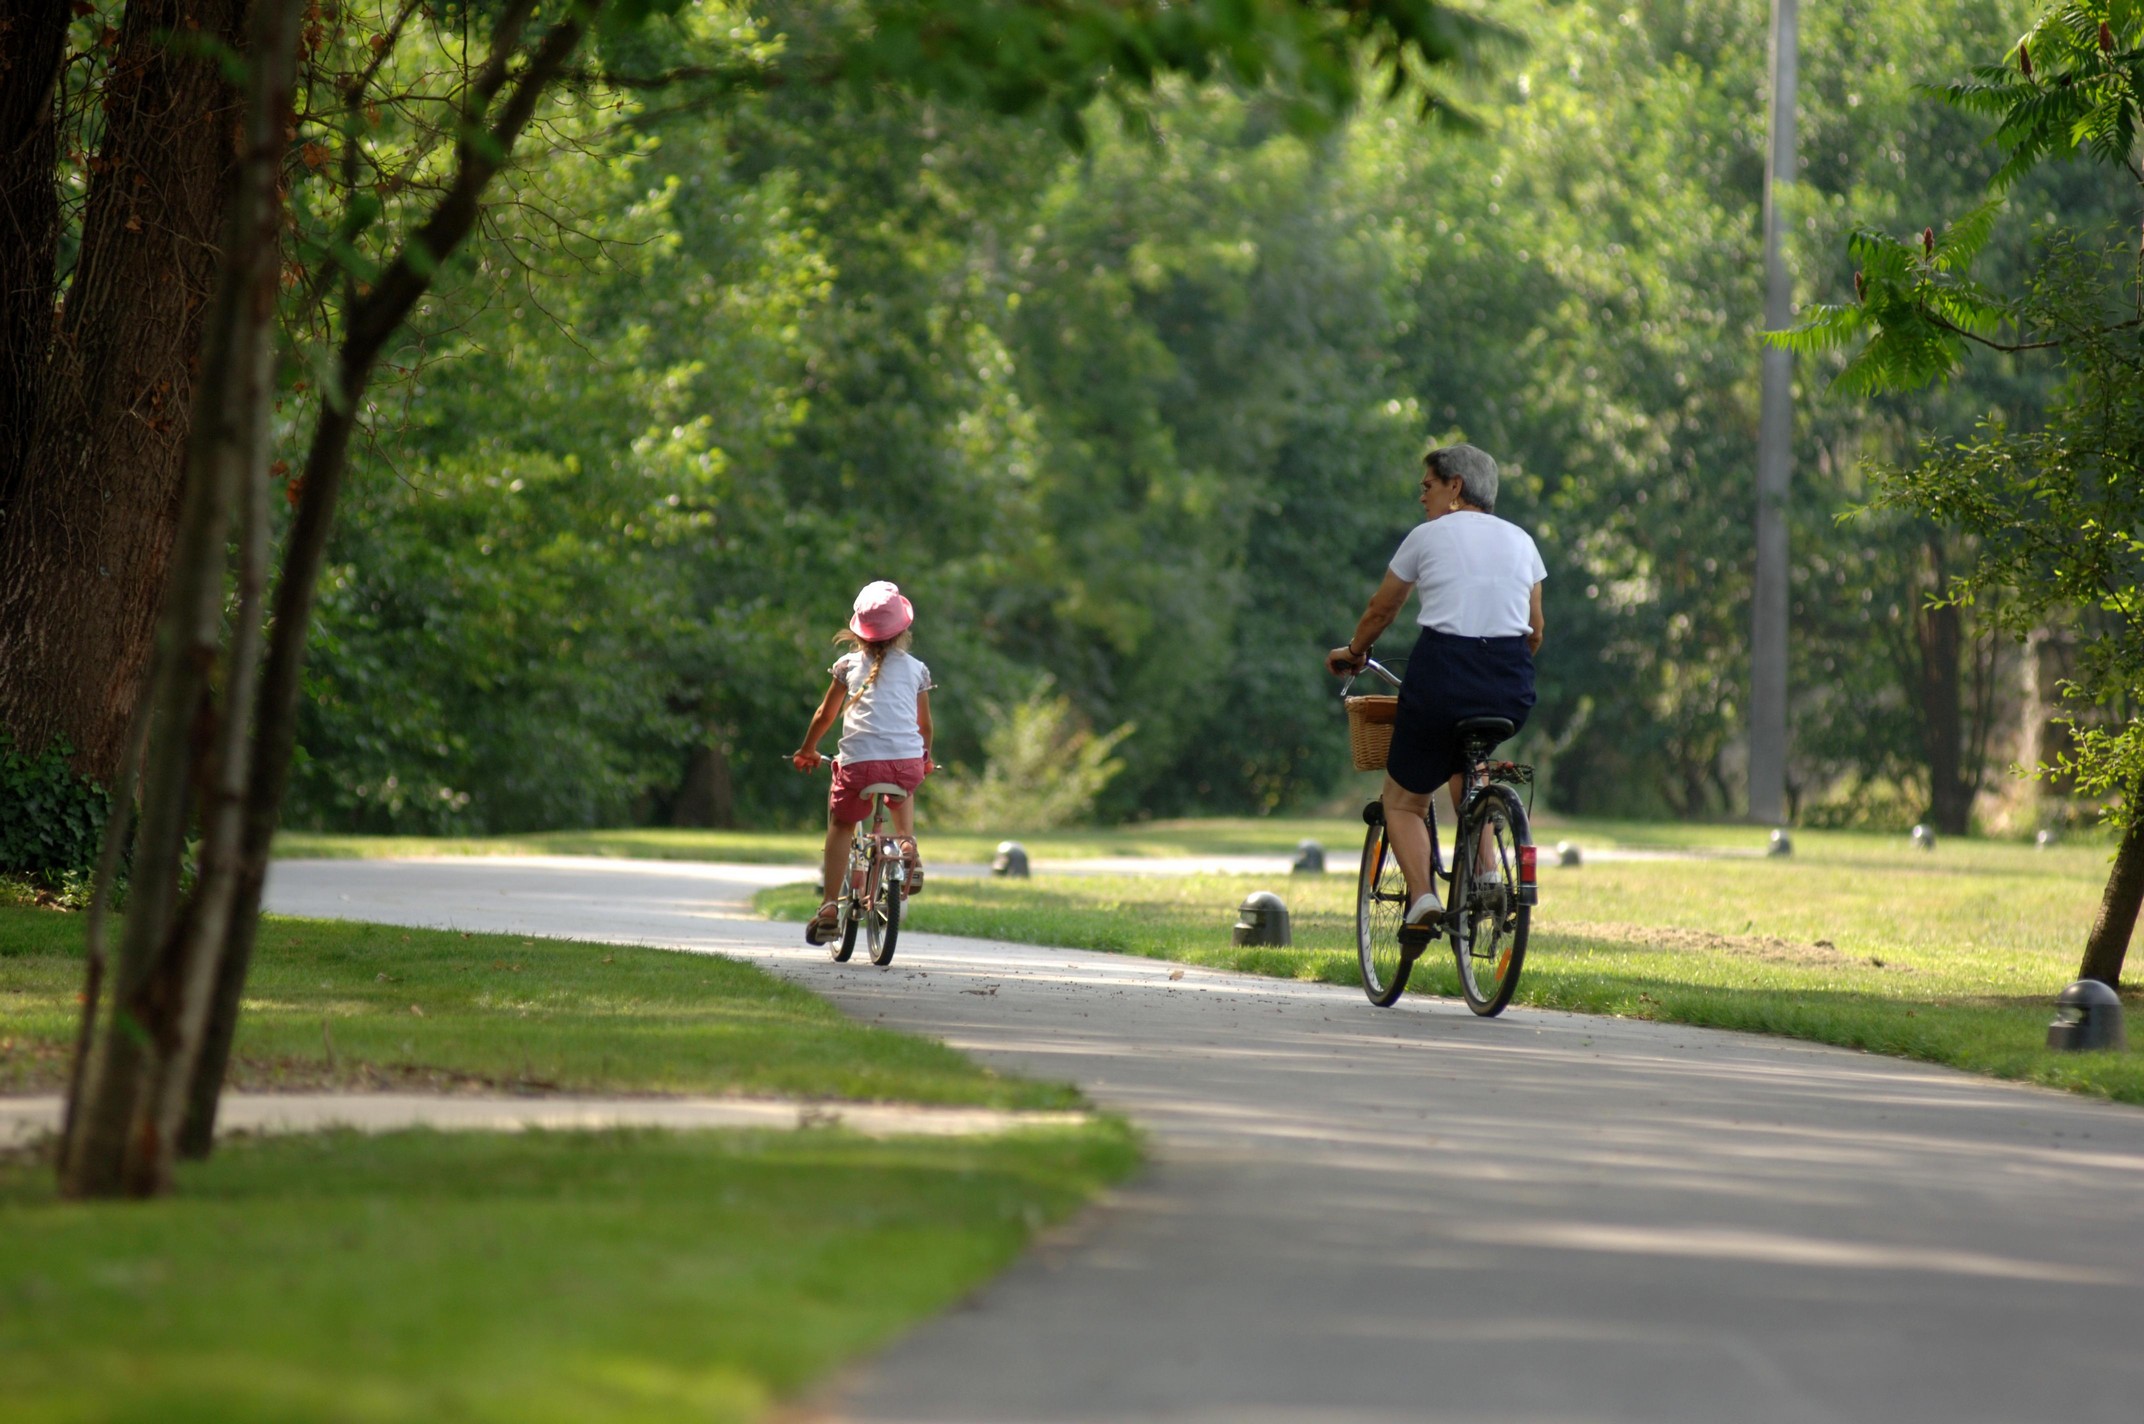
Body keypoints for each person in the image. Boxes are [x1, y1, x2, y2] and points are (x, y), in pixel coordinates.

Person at [1326, 443, 1545, 927]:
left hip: (1442, 673)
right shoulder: (1523, 542)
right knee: (1471, 765)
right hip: (1511, 681)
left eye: (1427, 486)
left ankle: (1423, 899)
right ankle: (1488, 875)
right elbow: (1535, 630)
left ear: (1455, 487)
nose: (1421, 497)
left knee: (1402, 800)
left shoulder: (1428, 537)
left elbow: (1382, 610)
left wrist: (1354, 651)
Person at [792, 581, 935, 944]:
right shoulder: (917, 669)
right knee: (904, 785)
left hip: (858, 766)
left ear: (857, 631)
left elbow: (825, 714)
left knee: (841, 825)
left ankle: (828, 907)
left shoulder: (846, 665)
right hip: (905, 763)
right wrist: (926, 759)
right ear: (903, 630)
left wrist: (808, 749)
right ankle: (906, 845)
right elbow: (924, 726)